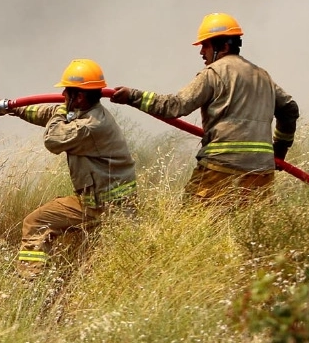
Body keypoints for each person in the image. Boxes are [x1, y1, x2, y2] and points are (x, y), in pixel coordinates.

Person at [0, 58, 138, 273]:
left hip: (105, 207)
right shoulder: (86, 112)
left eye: (67, 91)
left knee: (38, 224)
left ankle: (30, 283)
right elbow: (47, 114)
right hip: (101, 202)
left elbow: (53, 137)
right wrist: (10, 107)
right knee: (94, 258)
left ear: (80, 96)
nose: (63, 95)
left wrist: (62, 109)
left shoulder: (91, 126)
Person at [111, 12, 299, 203]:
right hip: (261, 172)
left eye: (206, 45)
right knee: (250, 227)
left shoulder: (214, 73)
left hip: (220, 169)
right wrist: (279, 149)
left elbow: (175, 106)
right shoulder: (263, 76)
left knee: (190, 222)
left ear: (224, 46)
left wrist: (132, 96)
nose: (202, 52)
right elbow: (290, 108)